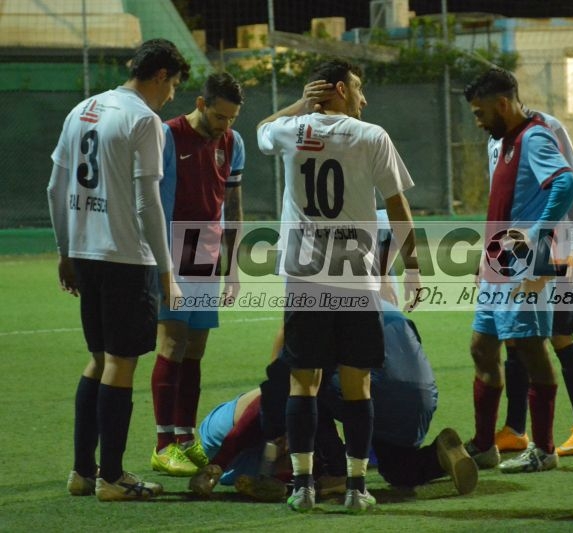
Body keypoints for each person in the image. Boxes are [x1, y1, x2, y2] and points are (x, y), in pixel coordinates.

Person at [256, 59, 420, 512]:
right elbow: (397, 205)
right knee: (356, 384)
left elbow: (262, 128)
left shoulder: (289, 131)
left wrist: (299, 105)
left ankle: (303, 487)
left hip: (303, 274)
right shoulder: (371, 136)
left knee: (303, 383)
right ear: (341, 89)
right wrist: (411, 265)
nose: (363, 98)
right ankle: (355, 488)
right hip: (355, 276)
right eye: (358, 87)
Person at [47, 38, 190, 501]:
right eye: (173, 85)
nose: (171, 96)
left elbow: (55, 187)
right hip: (126, 256)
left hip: (84, 253)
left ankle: (82, 472)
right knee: (121, 362)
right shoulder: (144, 120)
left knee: (98, 358)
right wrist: (166, 272)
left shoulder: (82, 109)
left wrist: (65, 251)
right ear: (161, 75)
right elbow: (147, 201)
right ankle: (112, 477)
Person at [188, 301, 478, 500]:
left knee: (303, 383)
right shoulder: (370, 296)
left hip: (372, 386)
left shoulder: (313, 309)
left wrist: (221, 462)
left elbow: (280, 385)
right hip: (421, 395)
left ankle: (336, 472)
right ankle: (439, 455)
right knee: (397, 469)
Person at [462, 68, 573, 474]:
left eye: (480, 113)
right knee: (482, 347)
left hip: (524, 264)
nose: (478, 121)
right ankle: (484, 445)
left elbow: (566, 185)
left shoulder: (534, 137)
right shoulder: (503, 141)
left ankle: (544, 449)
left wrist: (537, 234)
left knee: (531, 350)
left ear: (502, 104)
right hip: (500, 261)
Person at [487, 108, 573, 457]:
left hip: (554, 245)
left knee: (560, 335)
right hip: (512, 249)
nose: (478, 118)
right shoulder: (494, 138)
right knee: (515, 336)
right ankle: (515, 429)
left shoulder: (547, 127)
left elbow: (572, 185)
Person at [149, 72, 245, 477]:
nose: (226, 125)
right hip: (173, 247)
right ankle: (163, 445)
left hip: (206, 252)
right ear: (201, 104)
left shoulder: (233, 142)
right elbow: (151, 200)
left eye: (232, 118)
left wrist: (233, 266)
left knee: (195, 349)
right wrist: (161, 266)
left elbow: (233, 205)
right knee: (172, 342)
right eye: (220, 116)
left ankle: (186, 439)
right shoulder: (167, 136)